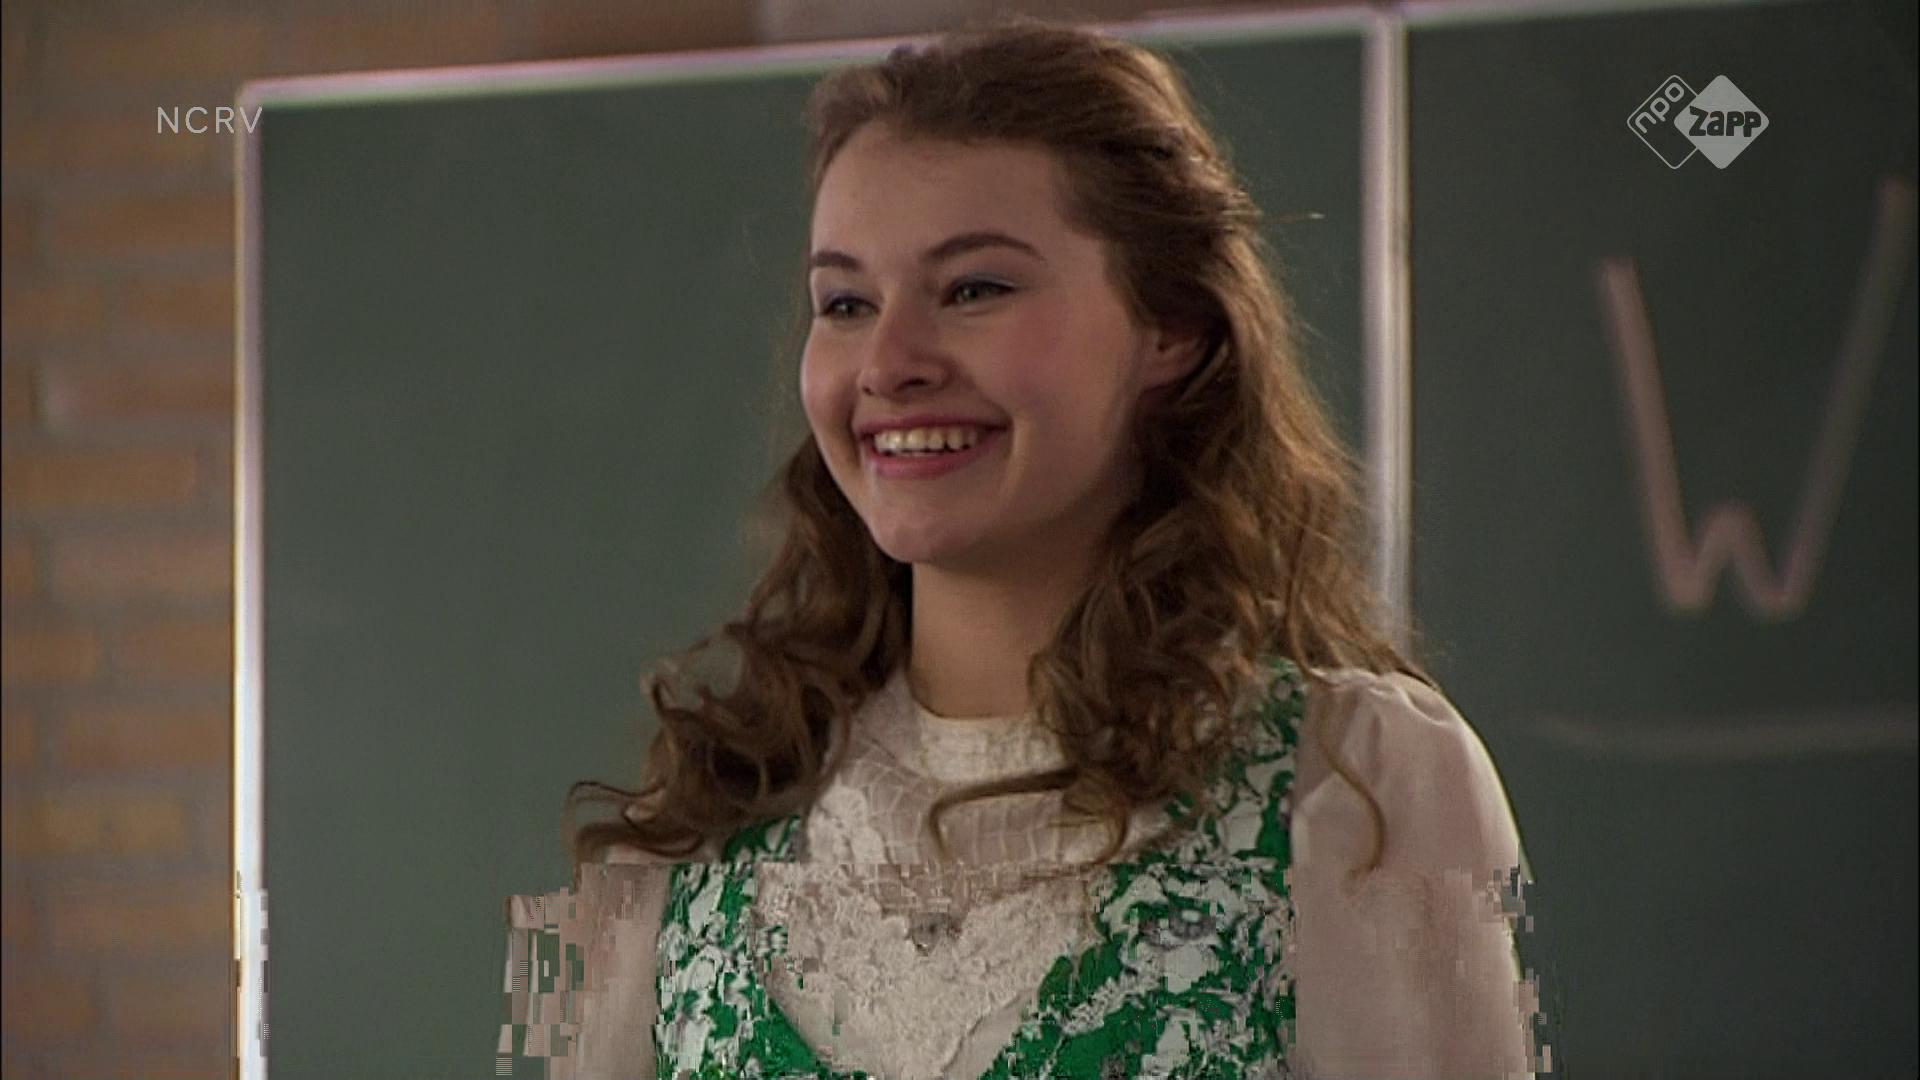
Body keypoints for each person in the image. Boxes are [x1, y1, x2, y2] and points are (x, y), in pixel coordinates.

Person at [500, 18, 1541, 1079]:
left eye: (975, 289)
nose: (889, 363)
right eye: (846, 303)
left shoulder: (1360, 790)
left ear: (1170, 329)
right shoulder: (691, 824)